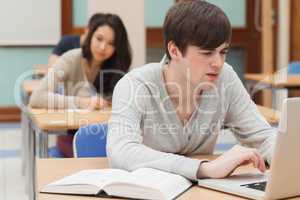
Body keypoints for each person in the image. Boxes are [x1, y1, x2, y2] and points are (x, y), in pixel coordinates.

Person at [107, 0, 276, 180]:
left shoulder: (225, 78)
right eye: (207, 53)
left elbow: (263, 137)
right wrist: (202, 169)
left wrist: (289, 160)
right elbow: (121, 151)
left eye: (223, 52)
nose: (218, 63)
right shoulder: (135, 85)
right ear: (174, 50)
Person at [29, 13, 132, 157]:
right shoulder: (71, 58)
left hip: (108, 139)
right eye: (99, 39)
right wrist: (82, 102)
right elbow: (37, 97)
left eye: (111, 44)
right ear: (90, 35)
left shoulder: (117, 68)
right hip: (72, 137)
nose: (103, 47)